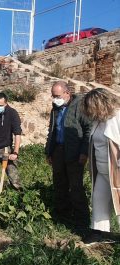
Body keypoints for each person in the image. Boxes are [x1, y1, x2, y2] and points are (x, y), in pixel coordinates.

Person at [45, 81, 92, 230]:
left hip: (75, 152)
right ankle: (63, 217)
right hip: (58, 150)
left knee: (76, 186)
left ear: (67, 93)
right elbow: (52, 130)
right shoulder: (56, 107)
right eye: (53, 95)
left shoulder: (80, 105)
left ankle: (82, 222)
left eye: (57, 95)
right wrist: (48, 151)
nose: (54, 98)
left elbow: (88, 129)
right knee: (59, 183)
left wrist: (84, 152)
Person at [82, 88, 120, 234]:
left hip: (116, 170)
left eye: (91, 107)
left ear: (100, 104)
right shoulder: (98, 121)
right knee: (98, 200)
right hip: (102, 171)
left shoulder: (117, 118)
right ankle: (99, 233)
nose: (90, 112)